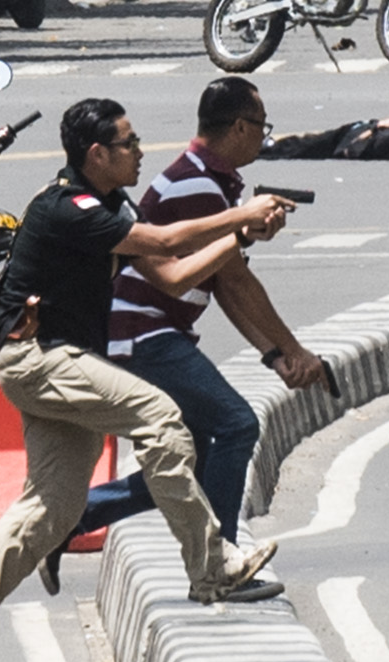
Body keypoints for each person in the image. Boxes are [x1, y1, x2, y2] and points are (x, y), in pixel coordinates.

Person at [0, 99, 287, 662]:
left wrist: (240, 233)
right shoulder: (70, 207)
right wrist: (237, 216)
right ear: (97, 155)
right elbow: (164, 243)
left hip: (65, 364)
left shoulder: (111, 203)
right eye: (129, 143)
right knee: (163, 419)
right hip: (39, 360)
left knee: (53, 508)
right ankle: (211, 564)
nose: (140, 152)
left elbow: (169, 275)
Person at [58, 78, 332, 587]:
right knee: (236, 425)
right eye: (261, 128)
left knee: (193, 461)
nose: (262, 138)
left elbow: (223, 282)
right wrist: (293, 350)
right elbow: (233, 278)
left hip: (153, 332)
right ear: (241, 127)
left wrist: (275, 353)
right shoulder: (197, 186)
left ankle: (70, 520)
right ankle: (221, 565)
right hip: (143, 334)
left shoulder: (210, 181)